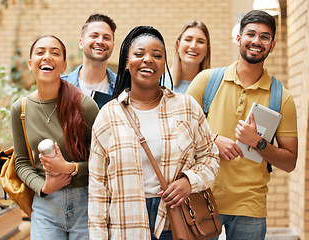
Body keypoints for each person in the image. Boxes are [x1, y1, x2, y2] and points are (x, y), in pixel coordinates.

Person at [88, 25, 220, 240]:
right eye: (139, 54)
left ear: (163, 64)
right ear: (127, 63)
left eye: (157, 55)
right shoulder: (108, 116)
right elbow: (98, 188)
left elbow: (210, 158)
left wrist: (189, 181)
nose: (148, 59)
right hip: (126, 224)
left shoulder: (187, 107)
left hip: (176, 221)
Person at [186, 10, 298, 240]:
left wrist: (258, 143)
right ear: (239, 38)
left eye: (265, 37)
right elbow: (176, 131)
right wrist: (213, 140)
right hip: (203, 196)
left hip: (250, 207)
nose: (257, 41)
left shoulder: (282, 98)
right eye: (251, 34)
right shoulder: (206, 81)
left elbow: (290, 162)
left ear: (272, 45)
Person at [12, 35, 99, 239]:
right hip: (45, 205)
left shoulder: (85, 106)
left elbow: (103, 161)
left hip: (86, 203)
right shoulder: (20, 109)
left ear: (64, 65)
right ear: (30, 63)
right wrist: (43, 187)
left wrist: (70, 168)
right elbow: (22, 162)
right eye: (40, 52)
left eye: (55, 53)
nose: (47, 57)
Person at [61, 13, 117, 98]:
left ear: (112, 46)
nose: (100, 41)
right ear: (81, 43)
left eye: (106, 38)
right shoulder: (60, 87)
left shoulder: (125, 88)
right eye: (94, 36)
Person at [164, 20, 211, 93]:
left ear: (207, 50)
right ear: (178, 45)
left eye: (200, 42)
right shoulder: (160, 84)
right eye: (188, 40)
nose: (193, 46)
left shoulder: (214, 88)